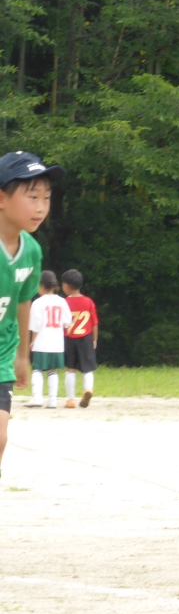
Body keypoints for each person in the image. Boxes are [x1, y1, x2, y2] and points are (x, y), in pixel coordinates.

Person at [0, 152, 56, 473]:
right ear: (1, 199)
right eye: (32, 197)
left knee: (0, 437)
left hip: (1, 353)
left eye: (46, 198)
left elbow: (23, 301)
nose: (41, 207)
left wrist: (23, 355)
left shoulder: (31, 251)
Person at [27, 271, 69, 408]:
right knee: (53, 371)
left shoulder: (38, 303)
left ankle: (37, 397)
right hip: (57, 343)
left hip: (41, 342)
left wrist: (32, 341)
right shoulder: (62, 301)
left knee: (37, 369)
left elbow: (36, 325)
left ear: (41, 285)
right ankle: (52, 400)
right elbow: (67, 322)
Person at [61, 268, 99, 408]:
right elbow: (94, 323)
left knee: (70, 369)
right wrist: (94, 339)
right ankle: (88, 389)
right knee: (87, 368)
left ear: (67, 286)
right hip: (86, 338)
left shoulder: (64, 302)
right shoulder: (88, 302)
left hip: (69, 338)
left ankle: (70, 400)